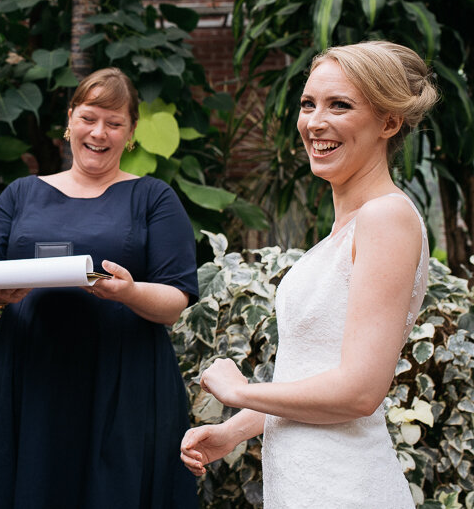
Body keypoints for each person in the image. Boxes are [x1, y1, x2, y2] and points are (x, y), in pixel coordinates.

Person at [180, 41, 438, 507]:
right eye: (308, 104)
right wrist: (235, 429)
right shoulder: (346, 230)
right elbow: (314, 373)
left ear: (389, 122)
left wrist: (241, 390)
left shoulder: (386, 219)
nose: (315, 122)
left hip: (345, 486)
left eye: (340, 105)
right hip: (304, 481)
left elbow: (359, 392)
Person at [0, 67, 200, 508]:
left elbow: (173, 302)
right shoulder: (20, 193)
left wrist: (128, 292)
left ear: (130, 134)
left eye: (114, 123)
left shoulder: (154, 198)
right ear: (69, 120)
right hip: (30, 374)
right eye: (89, 118)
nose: (99, 133)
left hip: (123, 379)